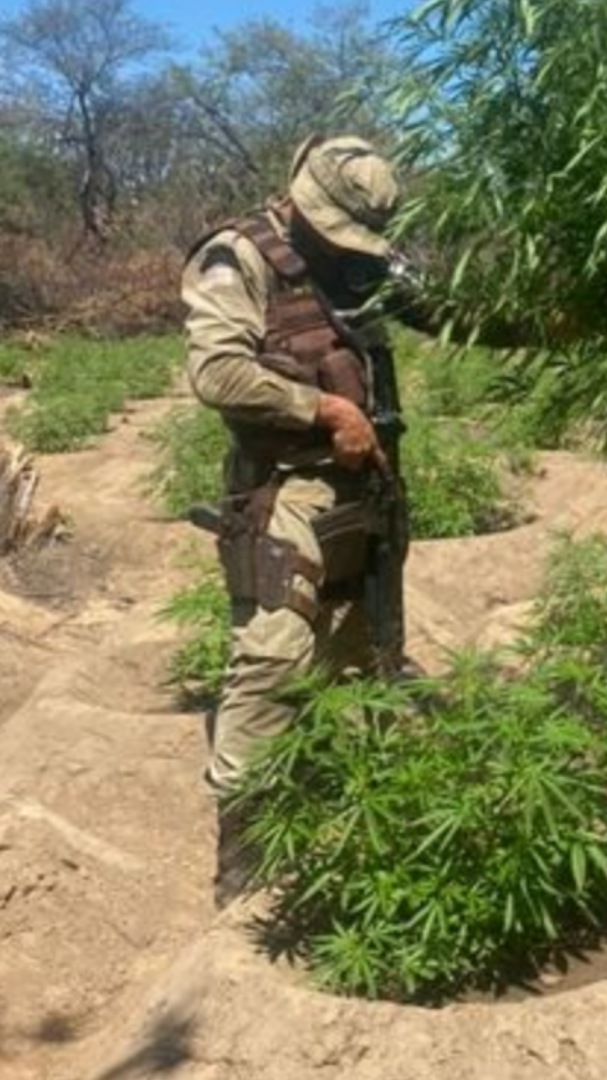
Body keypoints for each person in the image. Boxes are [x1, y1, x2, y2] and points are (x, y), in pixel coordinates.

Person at [181, 134, 413, 906]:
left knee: (360, 647)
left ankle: (348, 810)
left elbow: (444, 311)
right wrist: (323, 407)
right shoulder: (234, 257)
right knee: (274, 655)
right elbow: (216, 370)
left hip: (364, 492)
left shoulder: (361, 262)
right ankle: (244, 858)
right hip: (282, 490)